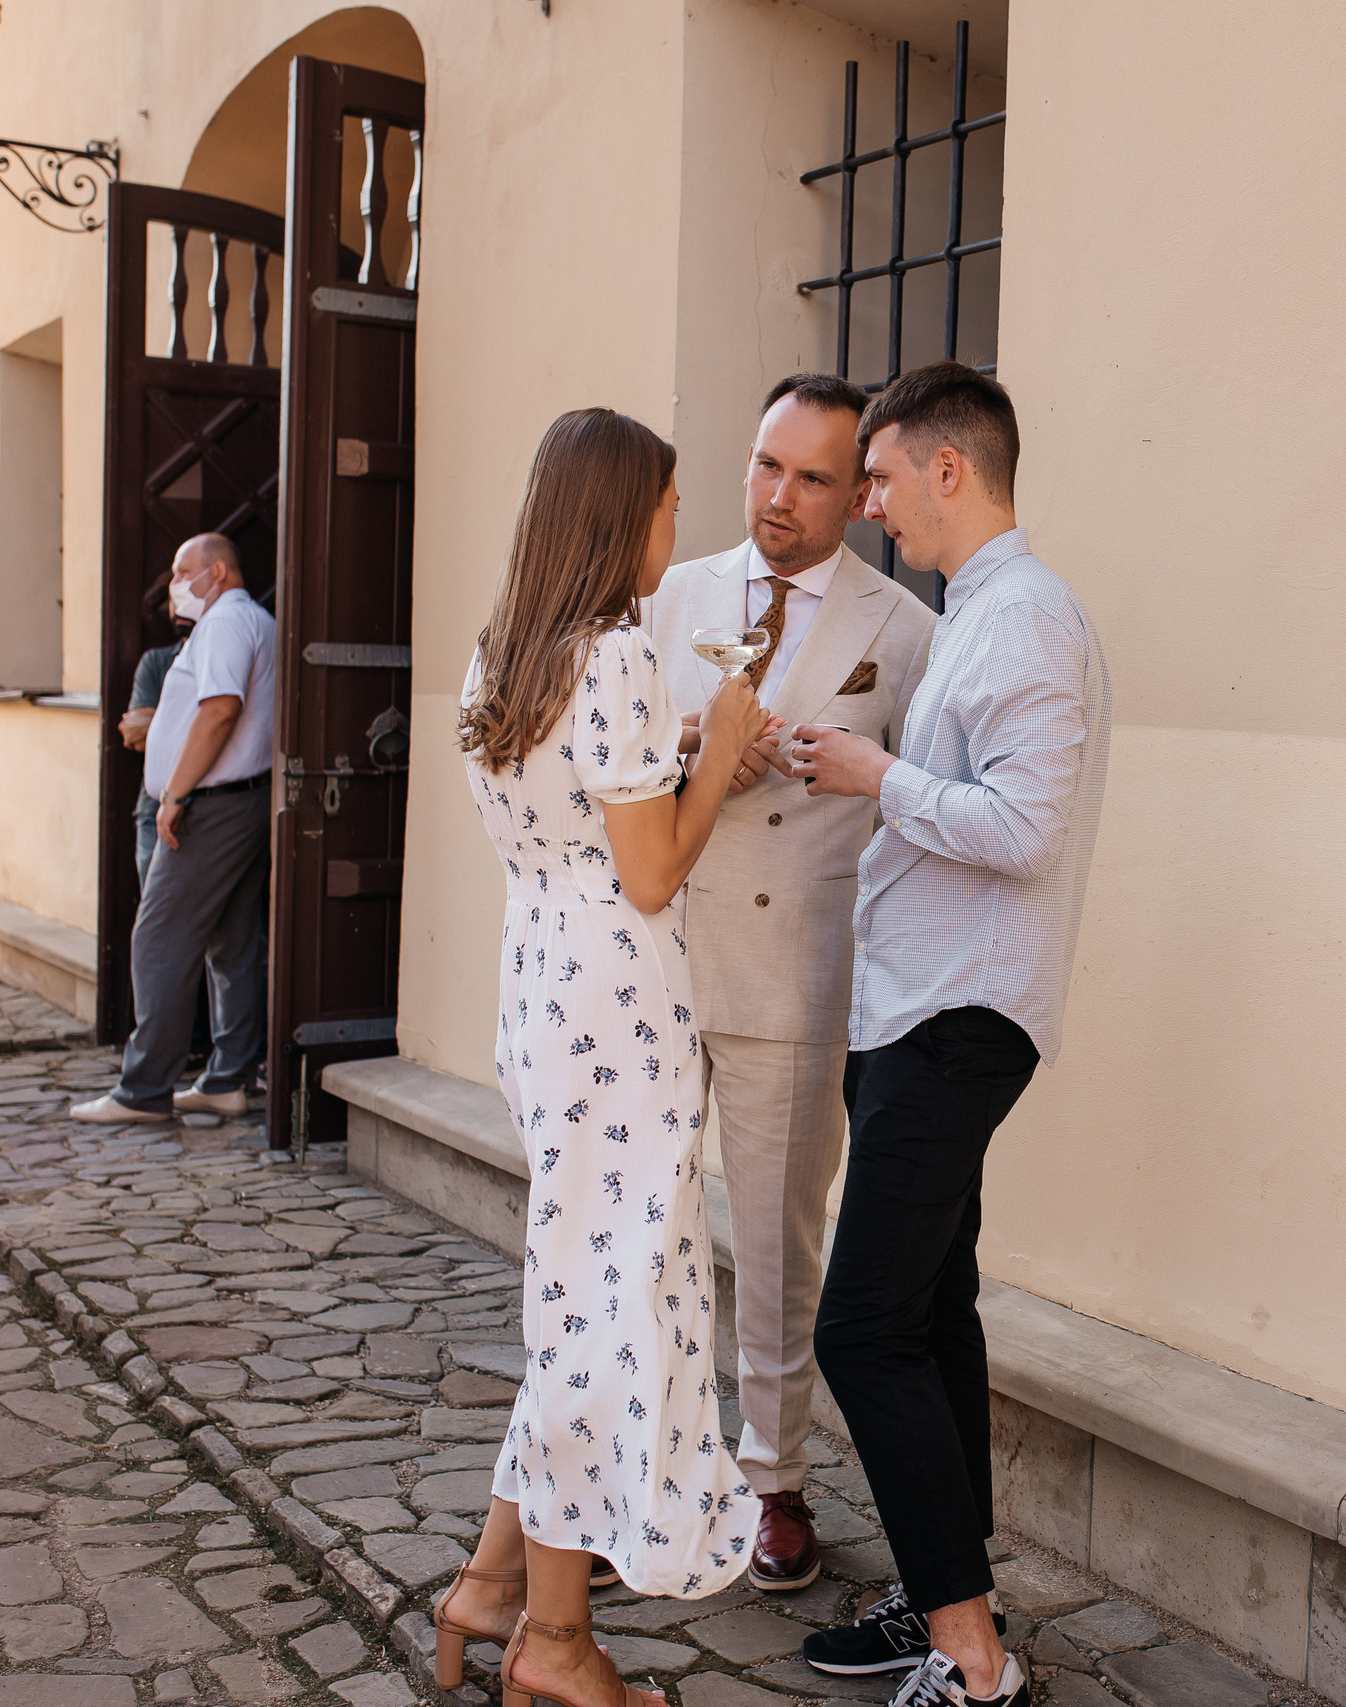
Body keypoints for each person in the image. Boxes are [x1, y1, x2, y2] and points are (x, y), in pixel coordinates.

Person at [425, 407, 777, 1707]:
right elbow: (648, 873)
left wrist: (680, 762)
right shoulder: (619, 657)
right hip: (618, 999)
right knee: (614, 1299)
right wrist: (723, 748)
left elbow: (577, 823)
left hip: (538, 982)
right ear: (618, 514)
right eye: (670, 504)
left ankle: (491, 1583)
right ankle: (559, 1646)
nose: (678, 526)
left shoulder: (503, 655)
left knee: (585, 1282)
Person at [783, 364, 1112, 1707]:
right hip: (920, 1007)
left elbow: (1024, 831)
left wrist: (875, 774)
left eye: (879, 471)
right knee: (928, 1310)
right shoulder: (977, 611)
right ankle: (940, 1596)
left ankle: (975, 1660)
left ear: (949, 469)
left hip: (958, 1017)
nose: (869, 501)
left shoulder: (1026, 618)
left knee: (862, 1325)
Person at [641, 372, 936, 1591]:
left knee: (773, 1242)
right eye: (768, 466)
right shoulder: (669, 594)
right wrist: (701, 754)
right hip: (651, 962)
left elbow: (918, 812)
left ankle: (773, 1480)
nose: (781, 497)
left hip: (799, 971)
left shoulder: (906, 631)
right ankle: (641, 1475)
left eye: (815, 478)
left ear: (859, 494)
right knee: (641, 1236)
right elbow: (608, 747)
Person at [71, 533, 277, 1126]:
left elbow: (218, 710)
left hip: (210, 806)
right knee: (231, 943)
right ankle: (225, 1080)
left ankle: (142, 1090)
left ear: (217, 572)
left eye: (181, 572)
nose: (173, 586)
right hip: (237, 802)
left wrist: (176, 795)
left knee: (158, 936)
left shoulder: (227, 623)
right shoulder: (242, 621)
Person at [123, 570, 186, 885]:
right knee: (155, 918)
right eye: (172, 601)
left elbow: (226, 722)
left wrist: (158, 722)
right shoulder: (157, 662)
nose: (177, 608)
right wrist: (195, 721)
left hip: (215, 807)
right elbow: (134, 735)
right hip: (154, 806)